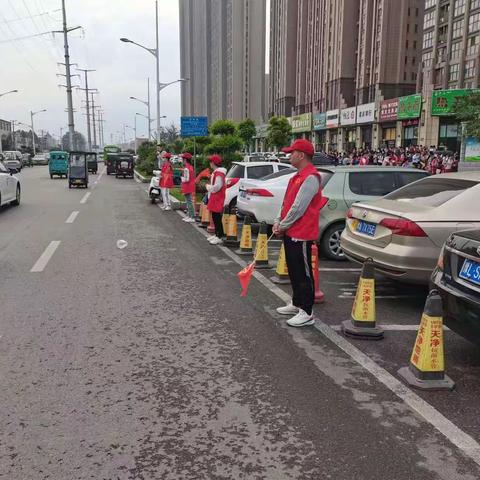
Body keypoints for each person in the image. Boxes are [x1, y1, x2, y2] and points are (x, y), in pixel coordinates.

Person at [274, 139, 324, 328]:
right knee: (294, 271)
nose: (289, 156)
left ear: (301, 155)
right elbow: (287, 203)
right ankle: (296, 303)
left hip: (301, 232)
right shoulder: (296, 177)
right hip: (290, 230)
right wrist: (279, 221)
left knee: (303, 273)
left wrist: (283, 225)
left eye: (292, 152)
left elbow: (299, 208)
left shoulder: (311, 177)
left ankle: (307, 311)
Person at [206, 154, 227, 245]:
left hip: (217, 196)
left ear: (213, 163)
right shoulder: (217, 172)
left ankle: (219, 236)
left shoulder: (219, 173)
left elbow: (217, 186)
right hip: (215, 196)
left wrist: (208, 187)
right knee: (215, 216)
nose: (210, 164)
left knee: (217, 217)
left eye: (210, 162)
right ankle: (217, 234)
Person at [181, 152, 196, 223]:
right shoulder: (190, 166)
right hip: (190, 185)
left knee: (189, 202)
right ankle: (189, 215)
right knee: (188, 201)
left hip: (187, 186)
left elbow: (186, 179)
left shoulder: (186, 168)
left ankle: (192, 217)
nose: (182, 160)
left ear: (185, 160)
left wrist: (181, 178)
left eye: (183, 159)